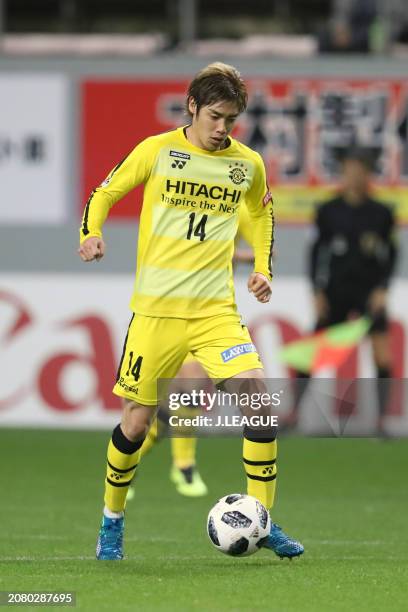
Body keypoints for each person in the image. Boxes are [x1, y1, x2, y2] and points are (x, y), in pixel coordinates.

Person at [78, 62, 304, 561]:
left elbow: (262, 214)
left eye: (232, 119)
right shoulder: (157, 151)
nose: (223, 129)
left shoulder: (247, 164)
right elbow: (105, 192)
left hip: (214, 312)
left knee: (259, 404)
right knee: (136, 424)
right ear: (193, 107)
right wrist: (90, 233)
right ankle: (111, 523)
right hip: (156, 313)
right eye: (216, 117)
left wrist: (263, 268)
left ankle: (261, 522)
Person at [287, 146, 398, 435]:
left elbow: (392, 253)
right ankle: (293, 414)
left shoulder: (382, 213)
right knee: (311, 353)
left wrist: (383, 289)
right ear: (342, 172)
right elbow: (315, 252)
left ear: (368, 174)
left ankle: (381, 422)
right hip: (336, 291)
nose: (354, 175)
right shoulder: (328, 211)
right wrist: (316, 291)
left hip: (369, 292)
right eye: (349, 169)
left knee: (382, 354)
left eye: (360, 170)